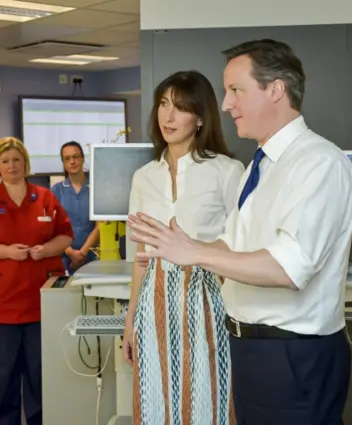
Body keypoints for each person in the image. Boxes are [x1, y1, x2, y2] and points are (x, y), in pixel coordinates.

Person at [128, 39, 352, 425]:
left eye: (236, 90)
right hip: (250, 348)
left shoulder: (319, 163)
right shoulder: (261, 166)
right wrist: (178, 249)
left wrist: (194, 253)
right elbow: (232, 245)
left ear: (275, 90)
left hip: (293, 354)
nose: (224, 104)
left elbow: (289, 269)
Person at [122, 70, 244, 425]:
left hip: (210, 302)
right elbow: (141, 259)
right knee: (157, 403)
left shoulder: (228, 171)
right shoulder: (144, 177)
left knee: (211, 401)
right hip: (154, 304)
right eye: (163, 104)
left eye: (180, 107)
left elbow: (240, 246)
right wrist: (130, 322)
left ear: (202, 116)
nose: (168, 116)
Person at [0, 136, 73, 425]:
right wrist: (7, 252)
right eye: (5, 161)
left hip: (41, 303)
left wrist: (46, 250)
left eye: (16, 160)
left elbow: (65, 236)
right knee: (3, 377)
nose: (11, 166)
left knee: (40, 377)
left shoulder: (46, 198)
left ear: (25, 162)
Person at [51, 141, 99, 274]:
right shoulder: (56, 191)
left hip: (93, 257)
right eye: (67, 158)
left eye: (76, 157)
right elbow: (53, 227)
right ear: (63, 163)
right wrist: (71, 253)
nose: (72, 161)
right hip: (65, 260)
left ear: (83, 159)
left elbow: (100, 225)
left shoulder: (96, 188)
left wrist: (82, 253)